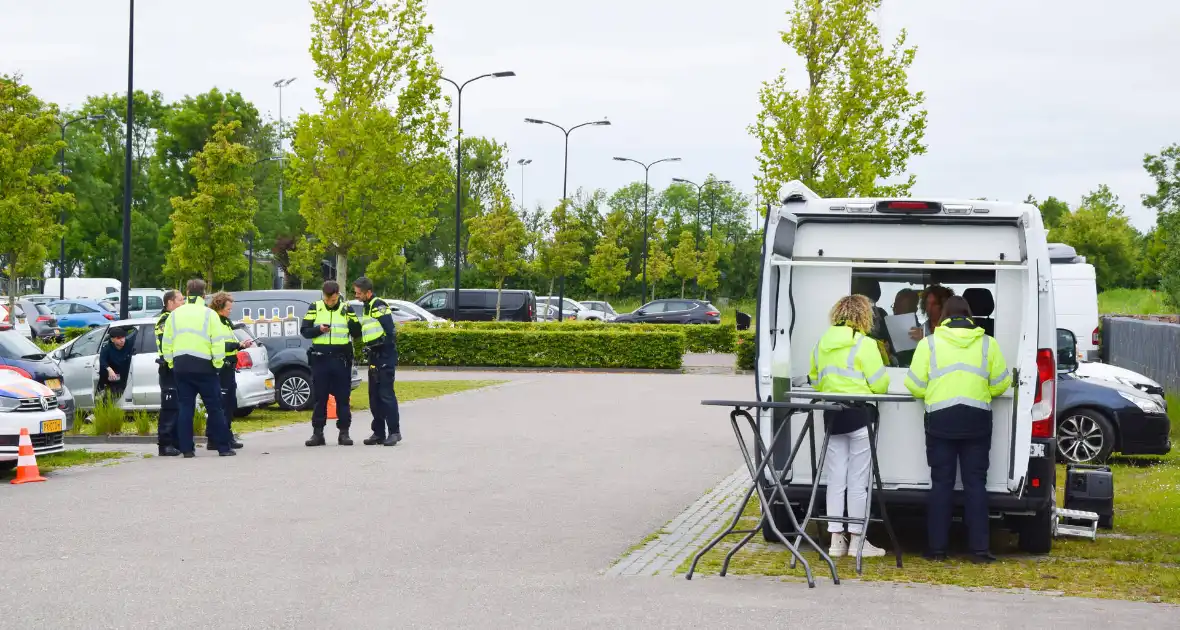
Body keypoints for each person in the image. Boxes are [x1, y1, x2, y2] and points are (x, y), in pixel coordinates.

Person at [904, 296, 1011, 563]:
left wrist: (936, 394)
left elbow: (914, 384)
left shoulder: (930, 343)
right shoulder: (988, 343)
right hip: (977, 420)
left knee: (941, 484)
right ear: (969, 315)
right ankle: (979, 550)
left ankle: (937, 550)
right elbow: (1002, 383)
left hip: (940, 420)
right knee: (976, 484)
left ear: (944, 317)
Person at [808, 295, 890, 558]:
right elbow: (880, 385)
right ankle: (857, 541)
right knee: (857, 481)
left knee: (835, 479)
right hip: (859, 416)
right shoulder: (864, 345)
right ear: (863, 316)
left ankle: (835, 541)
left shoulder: (822, 343)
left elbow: (815, 381)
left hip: (832, 415)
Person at [161, 278, 236, 458]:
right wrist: (217, 364)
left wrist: (172, 363)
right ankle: (223, 448)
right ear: (204, 294)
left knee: (185, 407)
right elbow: (218, 342)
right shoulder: (209, 314)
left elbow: (167, 342)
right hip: (205, 367)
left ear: (187, 293)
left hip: (181, 366)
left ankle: (187, 449)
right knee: (215, 407)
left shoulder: (175, 315)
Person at [300, 280, 360, 447]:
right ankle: (317, 433)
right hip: (320, 359)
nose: (330, 303)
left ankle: (344, 433)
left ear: (338, 295)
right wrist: (318, 329)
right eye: (327, 300)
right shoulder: (315, 307)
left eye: (333, 300)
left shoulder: (346, 308)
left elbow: (356, 332)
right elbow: (304, 331)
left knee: (342, 398)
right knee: (320, 397)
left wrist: (351, 318)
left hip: (341, 359)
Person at [352, 277, 402, 447]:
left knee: (386, 395)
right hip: (374, 356)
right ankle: (379, 433)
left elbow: (390, 332)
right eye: (355, 293)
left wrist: (379, 345)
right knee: (374, 397)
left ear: (368, 292)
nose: (356, 296)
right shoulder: (367, 307)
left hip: (385, 357)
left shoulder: (378, 305)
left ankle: (394, 432)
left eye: (359, 293)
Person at [209, 292, 250, 451]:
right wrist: (236, 346)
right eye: (228, 308)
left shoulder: (226, 322)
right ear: (220, 307)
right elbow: (218, 345)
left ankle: (221, 435)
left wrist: (239, 345)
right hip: (222, 366)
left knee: (229, 403)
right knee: (223, 403)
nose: (230, 311)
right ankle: (220, 437)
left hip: (229, 365)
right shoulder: (216, 322)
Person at [155, 290, 184, 457]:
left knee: (178, 406)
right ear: (170, 303)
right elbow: (169, 341)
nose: (183, 303)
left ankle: (176, 442)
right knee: (170, 406)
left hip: (176, 368)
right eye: (180, 300)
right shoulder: (165, 320)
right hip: (168, 368)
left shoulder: (175, 319)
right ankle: (165, 444)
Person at [97, 327, 135, 401]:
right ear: (112, 339)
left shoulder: (129, 343)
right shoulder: (107, 349)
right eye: (118, 338)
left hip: (128, 373)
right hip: (115, 374)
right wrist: (109, 369)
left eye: (123, 337)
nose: (122, 340)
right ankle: (103, 390)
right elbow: (102, 360)